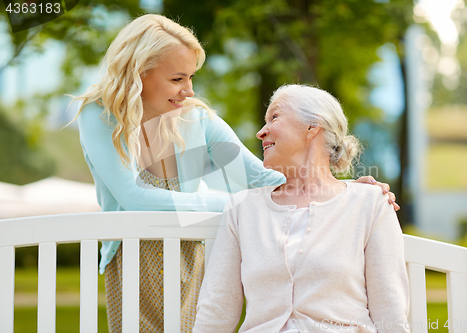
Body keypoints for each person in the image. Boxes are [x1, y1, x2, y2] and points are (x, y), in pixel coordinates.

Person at [74, 14, 398, 333]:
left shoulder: (195, 119)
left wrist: (340, 191)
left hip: (192, 251)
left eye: (190, 77)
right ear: (140, 73)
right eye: (177, 79)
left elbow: (261, 178)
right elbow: (133, 198)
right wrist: (235, 207)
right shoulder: (99, 114)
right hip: (131, 259)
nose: (188, 90)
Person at [193, 84, 410, 333]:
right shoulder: (243, 208)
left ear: (313, 125)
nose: (261, 133)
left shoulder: (370, 204)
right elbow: (217, 310)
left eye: (274, 117)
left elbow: (390, 310)